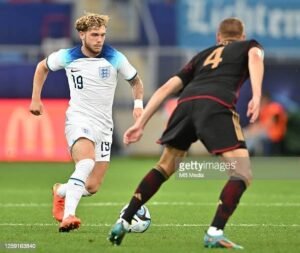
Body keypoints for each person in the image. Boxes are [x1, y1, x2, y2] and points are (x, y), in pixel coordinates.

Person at [108, 17, 264, 249]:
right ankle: (214, 232)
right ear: (242, 37)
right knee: (241, 173)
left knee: (165, 166)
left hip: (185, 104)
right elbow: (254, 58)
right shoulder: (250, 45)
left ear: (218, 38)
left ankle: (124, 219)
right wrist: (257, 94)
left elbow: (166, 88)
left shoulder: (202, 56)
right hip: (215, 104)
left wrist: (141, 123)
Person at [29, 12, 144, 232]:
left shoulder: (115, 57)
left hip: (104, 125)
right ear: (82, 35)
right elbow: (41, 67)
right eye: (94, 35)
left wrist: (138, 105)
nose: (99, 39)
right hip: (79, 119)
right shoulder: (67, 56)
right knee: (86, 162)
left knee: (92, 186)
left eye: (102, 34)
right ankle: (69, 216)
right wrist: (36, 99)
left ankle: (61, 190)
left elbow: (136, 81)